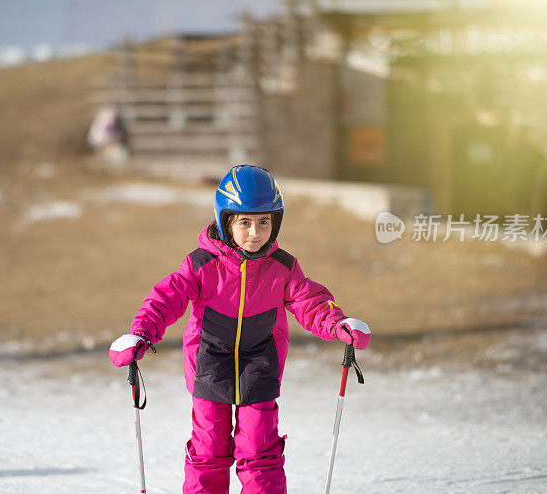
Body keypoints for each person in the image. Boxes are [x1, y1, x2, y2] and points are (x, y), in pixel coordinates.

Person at [109, 165, 371, 494]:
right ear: (225, 220)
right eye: (244, 222)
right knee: (209, 451)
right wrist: (141, 333)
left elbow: (310, 301)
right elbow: (167, 297)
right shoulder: (201, 264)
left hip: (260, 365)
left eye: (264, 222)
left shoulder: (283, 268)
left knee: (261, 451)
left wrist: (337, 323)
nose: (254, 232)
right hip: (209, 364)